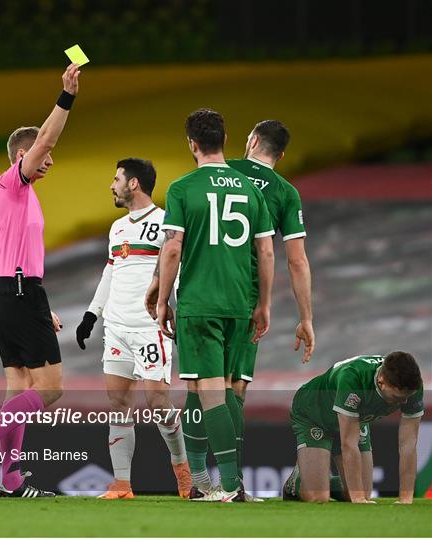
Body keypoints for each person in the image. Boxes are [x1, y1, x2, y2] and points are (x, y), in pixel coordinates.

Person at [0, 63, 81, 498]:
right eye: (43, 155)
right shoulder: (12, 183)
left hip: (9, 292)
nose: (51, 159)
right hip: (17, 292)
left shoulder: (18, 196)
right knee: (51, 390)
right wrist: (66, 97)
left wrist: (40, 305)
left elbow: (19, 256)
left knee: (19, 389)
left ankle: (10, 479)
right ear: (23, 156)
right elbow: (45, 138)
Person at [148, 108, 275, 502]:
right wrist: (264, 305)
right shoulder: (250, 189)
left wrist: (163, 297)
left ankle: (232, 486)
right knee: (211, 390)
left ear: (192, 144)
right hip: (240, 302)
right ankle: (203, 482)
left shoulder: (183, 188)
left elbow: (172, 249)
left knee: (209, 391)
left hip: (200, 302)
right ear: (225, 139)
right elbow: (266, 252)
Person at [75, 158, 192, 500]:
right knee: (118, 402)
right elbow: (110, 272)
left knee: (157, 401)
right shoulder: (117, 228)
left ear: (134, 184)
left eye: (116, 179)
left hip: (149, 327)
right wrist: (91, 314)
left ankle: (183, 472)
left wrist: (172, 308)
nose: (112, 185)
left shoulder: (166, 222)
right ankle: (122, 484)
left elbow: (176, 268)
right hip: (117, 328)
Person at [226, 119, 315, 486]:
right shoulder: (285, 192)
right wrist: (306, 317)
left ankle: (194, 476)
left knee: (202, 381)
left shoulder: (220, 171)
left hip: (201, 287)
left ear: (251, 141)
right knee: (236, 385)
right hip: (247, 296)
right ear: (281, 154)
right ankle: (230, 480)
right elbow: (296, 260)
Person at [283, 351, 424, 503]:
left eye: (406, 397)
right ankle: (295, 482)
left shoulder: (411, 387)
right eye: (397, 398)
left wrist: (405, 499)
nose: (404, 403)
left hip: (354, 418)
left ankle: (319, 479)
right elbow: (349, 444)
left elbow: (408, 445)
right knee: (318, 497)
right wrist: (358, 499)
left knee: (364, 493)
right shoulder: (353, 378)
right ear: (381, 382)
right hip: (314, 414)